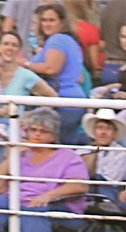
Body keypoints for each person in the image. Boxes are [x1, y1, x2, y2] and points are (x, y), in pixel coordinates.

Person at [0, 107, 89, 232]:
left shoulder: (67, 156)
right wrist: (14, 156)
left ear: (53, 135)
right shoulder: (21, 154)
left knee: (30, 215)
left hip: (53, 205)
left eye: (43, 131)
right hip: (14, 201)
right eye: (33, 130)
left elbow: (79, 185)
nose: (37, 135)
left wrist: (48, 196)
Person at [0, 31, 57, 170]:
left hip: (11, 137)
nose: (9, 48)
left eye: (14, 45)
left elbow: (53, 98)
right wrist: (2, 112)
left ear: (19, 50)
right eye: (6, 44)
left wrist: (30, 118)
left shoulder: (26, 75)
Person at [25, 3, 88, 145]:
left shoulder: (57, 39)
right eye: (44, 20)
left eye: (51, 20)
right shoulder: (68, 40)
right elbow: (80, 77)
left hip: (62, 103)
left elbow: (51, 69)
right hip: (72, 102)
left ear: (62, 22)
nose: (47, 24)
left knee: (54, 149)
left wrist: (25, 65)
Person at [79, 108, 126, 201]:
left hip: (107, 194)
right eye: (100, 128)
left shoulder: (121, 153)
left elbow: (112, 179)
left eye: (108, 128)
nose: (103, 132)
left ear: (114, 133)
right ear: (94, 131)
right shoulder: (82, 151)